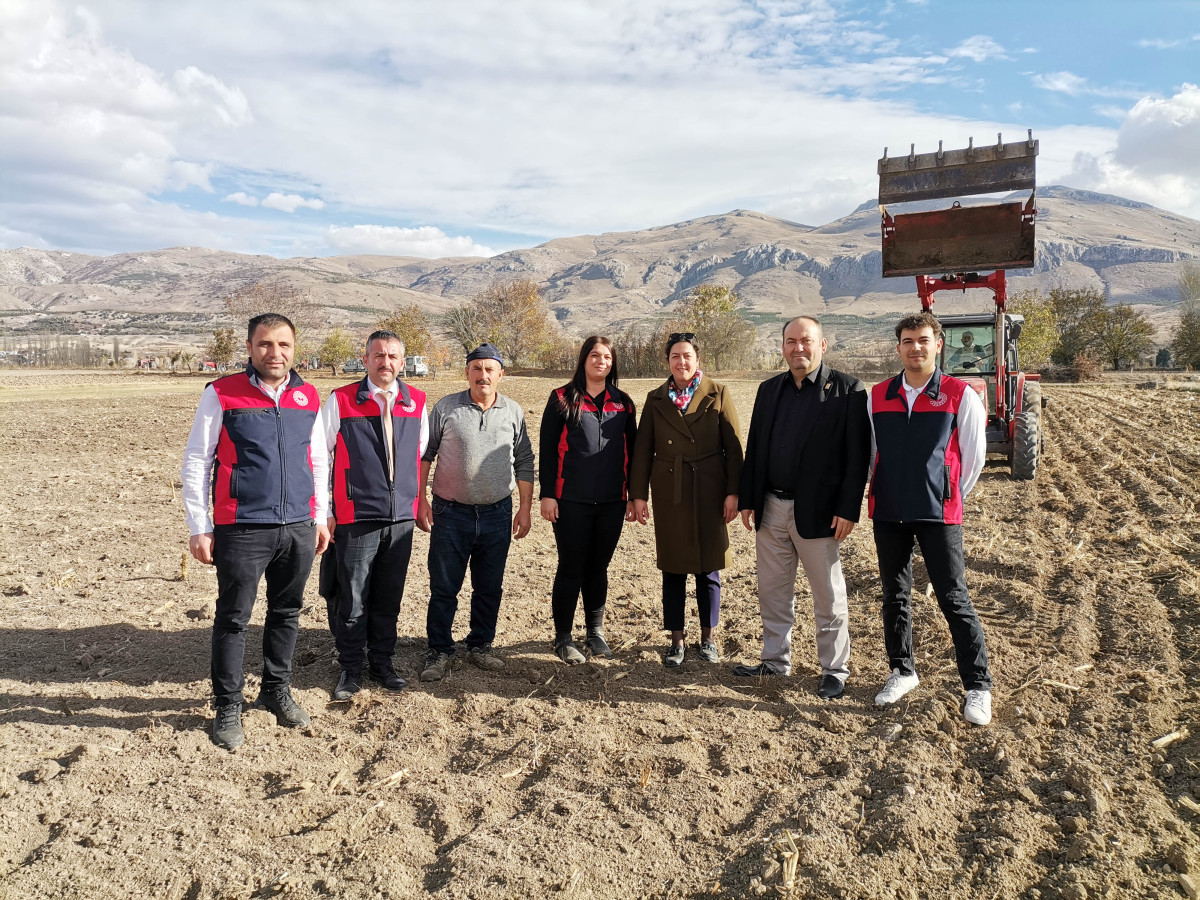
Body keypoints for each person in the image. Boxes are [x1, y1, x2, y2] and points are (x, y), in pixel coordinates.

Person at [181, 313, 331, 750]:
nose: (275, 353)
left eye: (283, 345)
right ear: (250, 348)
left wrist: (319, 515)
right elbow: (197, 460)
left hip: (298, 527)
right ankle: (228, 705)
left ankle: (275, 690)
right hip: (242, 526)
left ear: (293, 349)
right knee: (233, 618)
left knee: (286, 612)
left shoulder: (307, 395)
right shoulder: (222, 393)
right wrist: (199, 525)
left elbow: (317, 459)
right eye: (265, 344)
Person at [734, 316, 870, 698]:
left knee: (828, 595)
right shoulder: (768, 390)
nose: (798, 348)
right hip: (771, 506)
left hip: (821, 511)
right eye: (791, 341)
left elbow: (857, 457)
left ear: (822, 345)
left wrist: (848, 508)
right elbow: (756, 447)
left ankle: (834, 669)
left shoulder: (848, 390)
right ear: (782, 346)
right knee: (773, 591)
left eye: (806, 341)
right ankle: (775, 661)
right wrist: (749, 498)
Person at [868, 311, 993, 725]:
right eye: (907, 340)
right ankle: (902, 671)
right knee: (894, 596)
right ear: (898, 347)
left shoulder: (959, 395)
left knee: (953, 598)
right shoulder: (878, 395)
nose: (915, 347)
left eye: (923, 340)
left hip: (939, 513)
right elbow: (872, 454)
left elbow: (973, 459)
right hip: (888, 512)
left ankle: (977, 687)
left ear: (938, 345)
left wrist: (947, 492)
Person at [314, 331, 428, 700]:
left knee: (388, 596)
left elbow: (420, 453)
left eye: (393, 356)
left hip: (400, 519)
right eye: (378, 355)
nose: (386, 362)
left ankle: (382, 662)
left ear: (402, 361)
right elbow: (319, 455)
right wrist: (326, 509)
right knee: (353, 596)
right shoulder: (342, 400)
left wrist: (414, 500)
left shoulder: (417, 401)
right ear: (365, 359)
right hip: (357, 515)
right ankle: (350, 668)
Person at [416, 342, 535, 682]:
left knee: (489, 586)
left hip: (498, 513)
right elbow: (426, 454)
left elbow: (525, 460)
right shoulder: (446, 408)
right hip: (450, 514)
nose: (483, 375)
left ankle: (480, 645)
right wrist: (420, 499)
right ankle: (438, 650)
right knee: (444, 586)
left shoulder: (513, 411)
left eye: (489, 369)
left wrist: (524, 508)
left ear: (501, 374)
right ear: (466, 372)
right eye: (476, 369)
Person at [629, 332, 743, 667]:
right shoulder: (655, 398)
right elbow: (641, 451)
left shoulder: (718, 393)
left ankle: (708, 639)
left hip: (710, 489)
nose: (681, 362)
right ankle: (676, 641)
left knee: (709, 567)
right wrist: (638, 495)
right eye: (675, 356)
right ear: (668, 361)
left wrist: (734, 491)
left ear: (697, 360)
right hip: (670, 491)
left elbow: (734, 448)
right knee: (673, 567)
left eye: (687, 355)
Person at [538, 336, 637, 664]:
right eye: (595, 356)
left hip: (611, 502)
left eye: (607, 357)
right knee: (570, 567)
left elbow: (633, 453)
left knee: (598, 568)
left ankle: (595, 633)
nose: (601, 361)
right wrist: (548, 495)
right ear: (583, 360)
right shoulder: (561, 399)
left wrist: (635, 496)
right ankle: (563, 637)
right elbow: (550, 450)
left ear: (613, 363)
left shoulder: (623, 402)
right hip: (570, 501)